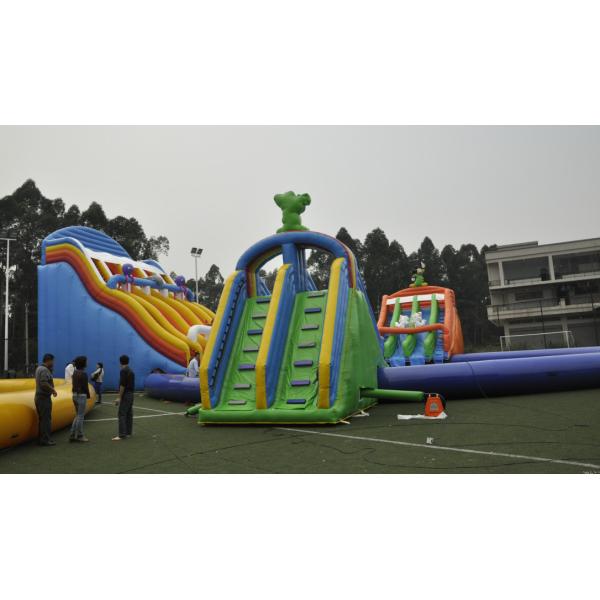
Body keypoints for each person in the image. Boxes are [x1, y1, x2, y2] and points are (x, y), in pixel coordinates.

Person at [34, 353, 58, 446]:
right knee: (46, 419)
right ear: (49, 360)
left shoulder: (39, 368)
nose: (53, 363)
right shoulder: (44, 370)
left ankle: (42, 438)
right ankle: (45, 439)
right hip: (43, 398)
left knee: (43, 419)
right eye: (52, 361)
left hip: (40, 397)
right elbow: (43, 383)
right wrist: (53, 390)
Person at [113, 355, 135, 441]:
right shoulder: (131, 370)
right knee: (129, 413)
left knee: (122, 414)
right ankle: (128, 432)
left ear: (120, 361)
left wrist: (119, 397)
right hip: (131, 394)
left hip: (126, 394)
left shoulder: (123, 370)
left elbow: (122, 385)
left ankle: (122, 434)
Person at [69, 356, 91, 443]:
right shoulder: (83, 374)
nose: (87, 363)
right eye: (86, 361)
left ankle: (72, 434)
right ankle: (80, 435)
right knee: (81, 416)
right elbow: (85, 387)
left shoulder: (74, 373)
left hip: (74, 395)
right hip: (81, 395)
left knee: (78, 415)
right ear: (83, 363)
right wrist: (88, 396)